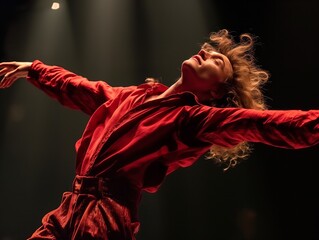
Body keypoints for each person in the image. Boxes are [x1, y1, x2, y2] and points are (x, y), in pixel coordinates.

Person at [0, 29, 318, 240]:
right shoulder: (131, 97)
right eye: (207, 50)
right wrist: (34, 69)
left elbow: (268, 124)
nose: (205, 52)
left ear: (217, 91)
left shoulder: (192, 119)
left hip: (105, 219)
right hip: (68, 210)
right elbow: (80, 87)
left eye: (216, 60)